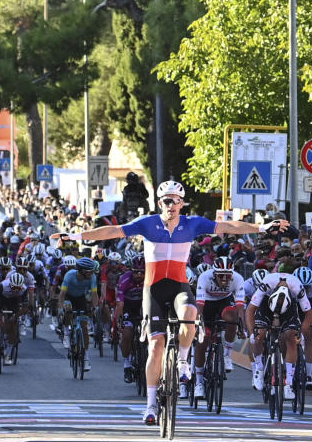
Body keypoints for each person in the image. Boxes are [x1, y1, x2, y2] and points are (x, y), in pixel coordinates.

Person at [51, 179, 289, 426]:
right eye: (166, 201)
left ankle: (184, 362)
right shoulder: (148, 223)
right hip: (153, 289)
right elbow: (112, 231)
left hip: (178, 285)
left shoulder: (192, 224)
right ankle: (151, 404)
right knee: (156, 347)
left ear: (182, 203)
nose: (171, 205)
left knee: (189, 313)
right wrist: (74, 235)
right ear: (159, 203)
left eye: (176, 201)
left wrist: (261, 227)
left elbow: (229, 225)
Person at [245, 270, 312, 400]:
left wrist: (301, 332)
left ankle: (289, 384)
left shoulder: (297, 287)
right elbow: (250, 310)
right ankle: (259, 369)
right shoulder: (267, 283)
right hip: (266, 303)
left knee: (291, 336)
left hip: (289, 307)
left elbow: (309, 314)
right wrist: (252, 331)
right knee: (258, 334)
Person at [193, 256, 245, 399]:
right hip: (207, 304)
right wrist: (199, 324)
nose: (224, 279)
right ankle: (198, 382)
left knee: (233, 319)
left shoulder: (238, 279)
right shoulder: (204, 277)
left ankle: (227, 355)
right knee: (202, 340)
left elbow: (240, 306)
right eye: (220, 275)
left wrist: (242, 325)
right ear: (213, 273)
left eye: (227, 276)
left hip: (224, 301)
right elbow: (200, 305)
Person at [58, 256, 100, 373]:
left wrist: (95, 308)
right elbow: (62, 294)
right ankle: (66, 331)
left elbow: (94, 295)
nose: (92, 273)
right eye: (89, 271)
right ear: (81, 271)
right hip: (68, 297)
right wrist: (61, 308)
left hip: (80, 298)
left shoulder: (92, 278)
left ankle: (85, 357)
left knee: (84, 328)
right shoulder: (70, 275)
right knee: (68, 309)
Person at [0, 270, 34, 365]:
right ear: (10, 284)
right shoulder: (3, 285)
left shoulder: (24, 289)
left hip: (14, 301)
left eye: (18, 288)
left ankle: (8, 355)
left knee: (13, 327)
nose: (16, 290)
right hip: (1, 298)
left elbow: (25, 307)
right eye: (14, 287)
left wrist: (16, 316)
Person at [115, 253, 145, 383]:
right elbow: (120, 304)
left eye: (142, 272)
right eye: (136, 272)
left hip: (143, 306)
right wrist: (119, 320)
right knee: (127, 334)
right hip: (128, 307)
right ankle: (127, 364)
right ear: (131, 270)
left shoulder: (150, 278)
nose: (139, 275)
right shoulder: (124, 279)